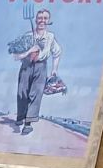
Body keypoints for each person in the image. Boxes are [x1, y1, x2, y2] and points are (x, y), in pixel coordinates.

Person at [7, 7, 63, 135]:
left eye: (45, 18)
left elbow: (57, 53)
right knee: (22, 93)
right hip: (26, 66)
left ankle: (28, 123)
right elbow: (15, 56)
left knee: (35, 94)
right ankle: (20, 116)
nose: (42, 20)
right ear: (36, 19)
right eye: (40, 18)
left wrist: (54, 70)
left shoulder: (50, 37)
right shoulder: (27, 36)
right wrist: (28, 52)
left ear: (48, 20)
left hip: (41, 68)